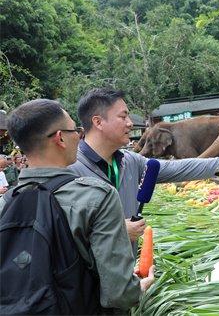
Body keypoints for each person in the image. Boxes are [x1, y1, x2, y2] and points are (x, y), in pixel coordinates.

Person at [0, 99, 154, 311]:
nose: (79, 137)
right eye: (76, 130)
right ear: (60, 138)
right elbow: (118, 295)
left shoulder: (4, 204)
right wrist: (139, 288)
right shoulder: (96, 197)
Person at [69, 88, 219, 244]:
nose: (130, 123)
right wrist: (115, 230)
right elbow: (61, 232)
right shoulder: (70, 170)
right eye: (123, 116)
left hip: (126, 273)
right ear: (98, 122)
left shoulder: (130, 161)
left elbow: (176, 169)